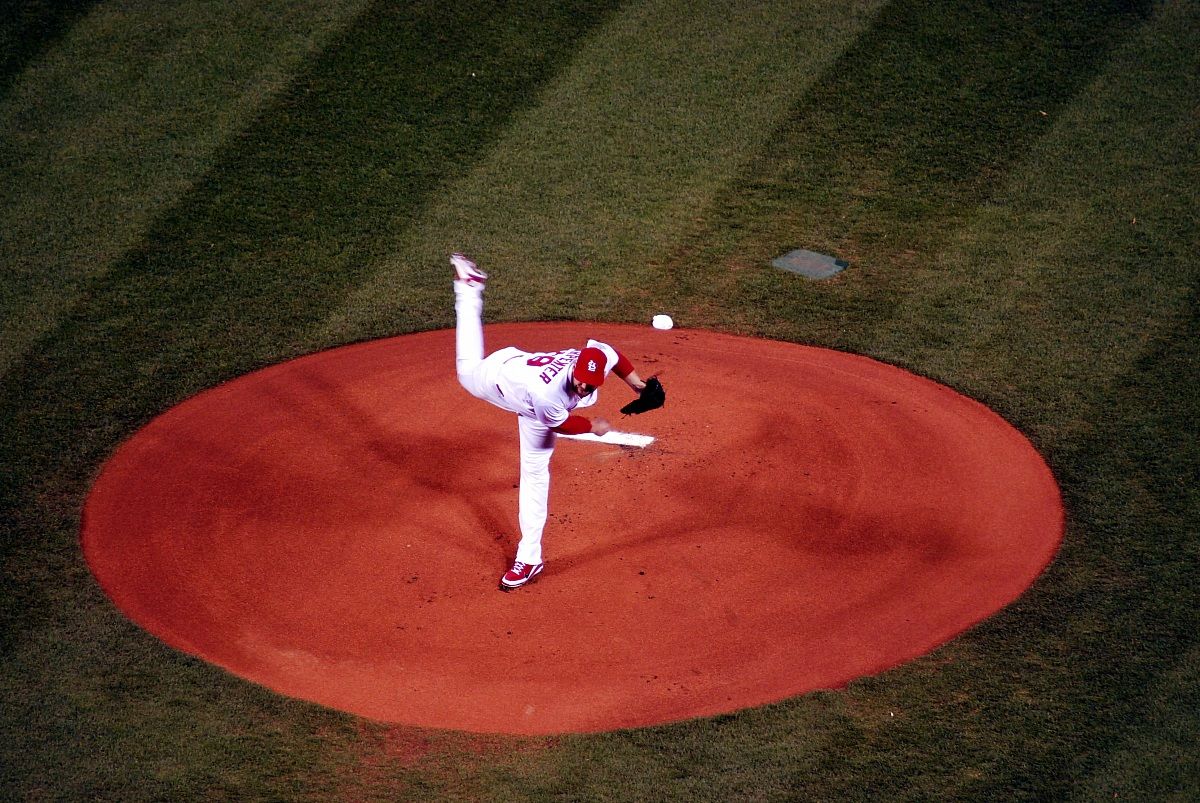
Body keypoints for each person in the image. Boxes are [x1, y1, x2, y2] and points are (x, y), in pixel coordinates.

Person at [451, 253, 650, 591]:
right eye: (582, 380)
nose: (585, 384)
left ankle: (529, 557)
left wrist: (640, 387)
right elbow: (560, 425)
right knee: (466, 370)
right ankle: (468, 288)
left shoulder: (592, 358)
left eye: (591, 381)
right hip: (497, 379)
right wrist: (592, 427)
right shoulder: (549, 396)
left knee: (534, 474)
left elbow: (612, 355)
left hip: (522, 371)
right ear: (575, 369)